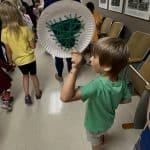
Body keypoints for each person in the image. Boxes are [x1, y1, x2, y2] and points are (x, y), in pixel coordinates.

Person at [61, 37, 131, 150]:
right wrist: (113, 100)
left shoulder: (97, 85)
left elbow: (65, 97)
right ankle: (101, 137)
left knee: (96, 145)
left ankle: (98, 144)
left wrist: (74, 68)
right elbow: (127, 100)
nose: (90, 59)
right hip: (108, 121)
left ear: (107, 66)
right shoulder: (122, 82)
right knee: (101, 133)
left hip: (94, 125)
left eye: (94, 57)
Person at [0, 1, 42, 105]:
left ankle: (27, 96)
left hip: (19, 61)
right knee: (33, 76)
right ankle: (37, 93)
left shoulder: (4, 32)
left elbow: (8, 51)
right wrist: (31, 43)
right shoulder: (26, 29)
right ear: (17, 14)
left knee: (25, 76)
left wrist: (10, 62)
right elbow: (33, 46)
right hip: (30, 58)